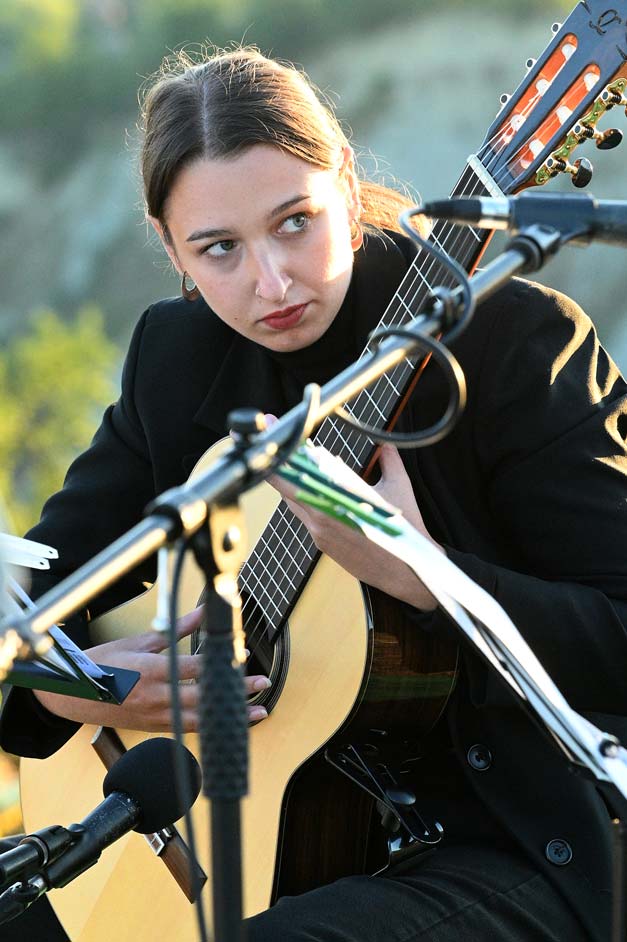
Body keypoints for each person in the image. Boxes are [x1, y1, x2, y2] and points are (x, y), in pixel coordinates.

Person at [1, 45, 626, 942]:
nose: (271, 281)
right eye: (218, 249)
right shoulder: (178, 360)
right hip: (260, 843)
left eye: (294, 222)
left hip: (516, 840)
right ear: (171, 250)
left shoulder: (516, 343)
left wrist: (425, 578)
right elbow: (37, 585)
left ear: (344, 182)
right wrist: (74, 690)